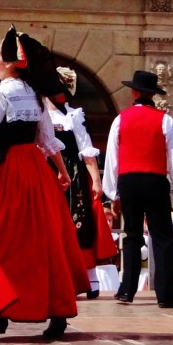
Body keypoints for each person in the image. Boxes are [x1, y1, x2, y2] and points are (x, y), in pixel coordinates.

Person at [0, 27, 88, 339]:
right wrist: (60, 171)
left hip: (9, 174)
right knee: (44, 243)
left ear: (8, 63)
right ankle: (55, 312)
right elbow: (47, 138)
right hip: (36, 171)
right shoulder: (34, 94)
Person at [103, 70, 173, 309]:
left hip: (129, 181)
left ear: (134, 92)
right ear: (153, 95)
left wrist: (113, 193)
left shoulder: (120, 119)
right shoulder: (165, 121)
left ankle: (126, 291)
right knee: (162, 236)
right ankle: (166, 295)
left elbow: (113, 159)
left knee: (131, 235)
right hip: (155, 181)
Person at [46, 66, 117, 299]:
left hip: (73, 175)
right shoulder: (40, 115)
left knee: (80, 224)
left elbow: (87, 151)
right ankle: (58, 277)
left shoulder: (73, 116)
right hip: (47, 172)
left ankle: (91, 278)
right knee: (51, 226)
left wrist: (96, 181)